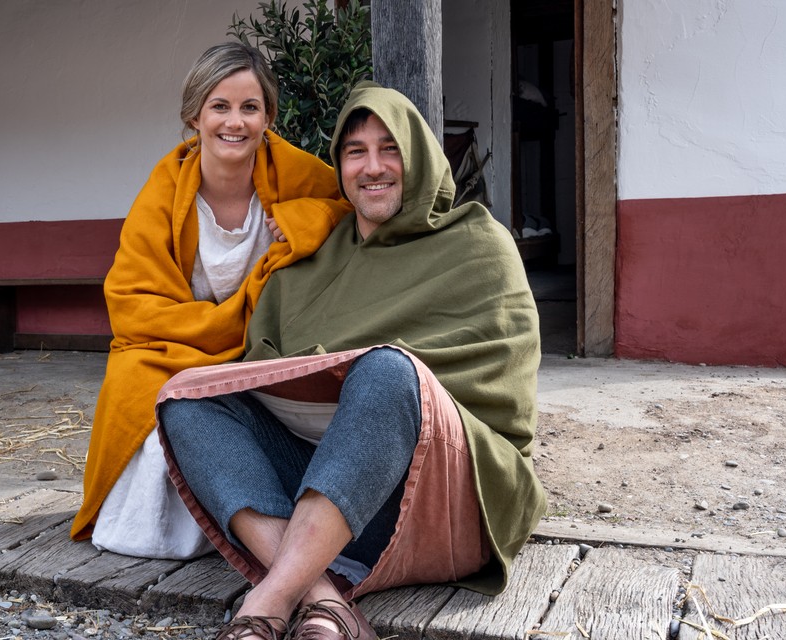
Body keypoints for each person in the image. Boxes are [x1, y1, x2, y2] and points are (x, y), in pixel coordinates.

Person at [157, 81, 546, 640]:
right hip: (323, 505)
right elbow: (262, 365)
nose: (373, 167)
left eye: (390, 149)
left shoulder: (478, 245)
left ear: (419, 156)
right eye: (355, 151)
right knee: (188, 399)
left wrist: (365, 374)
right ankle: (320, 598)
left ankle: (266, 601)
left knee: (389, 371)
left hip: (437, 500)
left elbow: (499, 390)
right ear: (339, 165)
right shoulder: (312, 259)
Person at [69, 43, 349, 556]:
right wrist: (212, 333)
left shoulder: (296, 173)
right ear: (194, 116)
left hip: (263, 350)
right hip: (174, 347)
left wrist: (306, 219)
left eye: (250, 107)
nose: (234, 122)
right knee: (138, 393)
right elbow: (131, 301)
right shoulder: (163, 190)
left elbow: (347, 204)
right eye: (220, 106)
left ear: (268, 117)